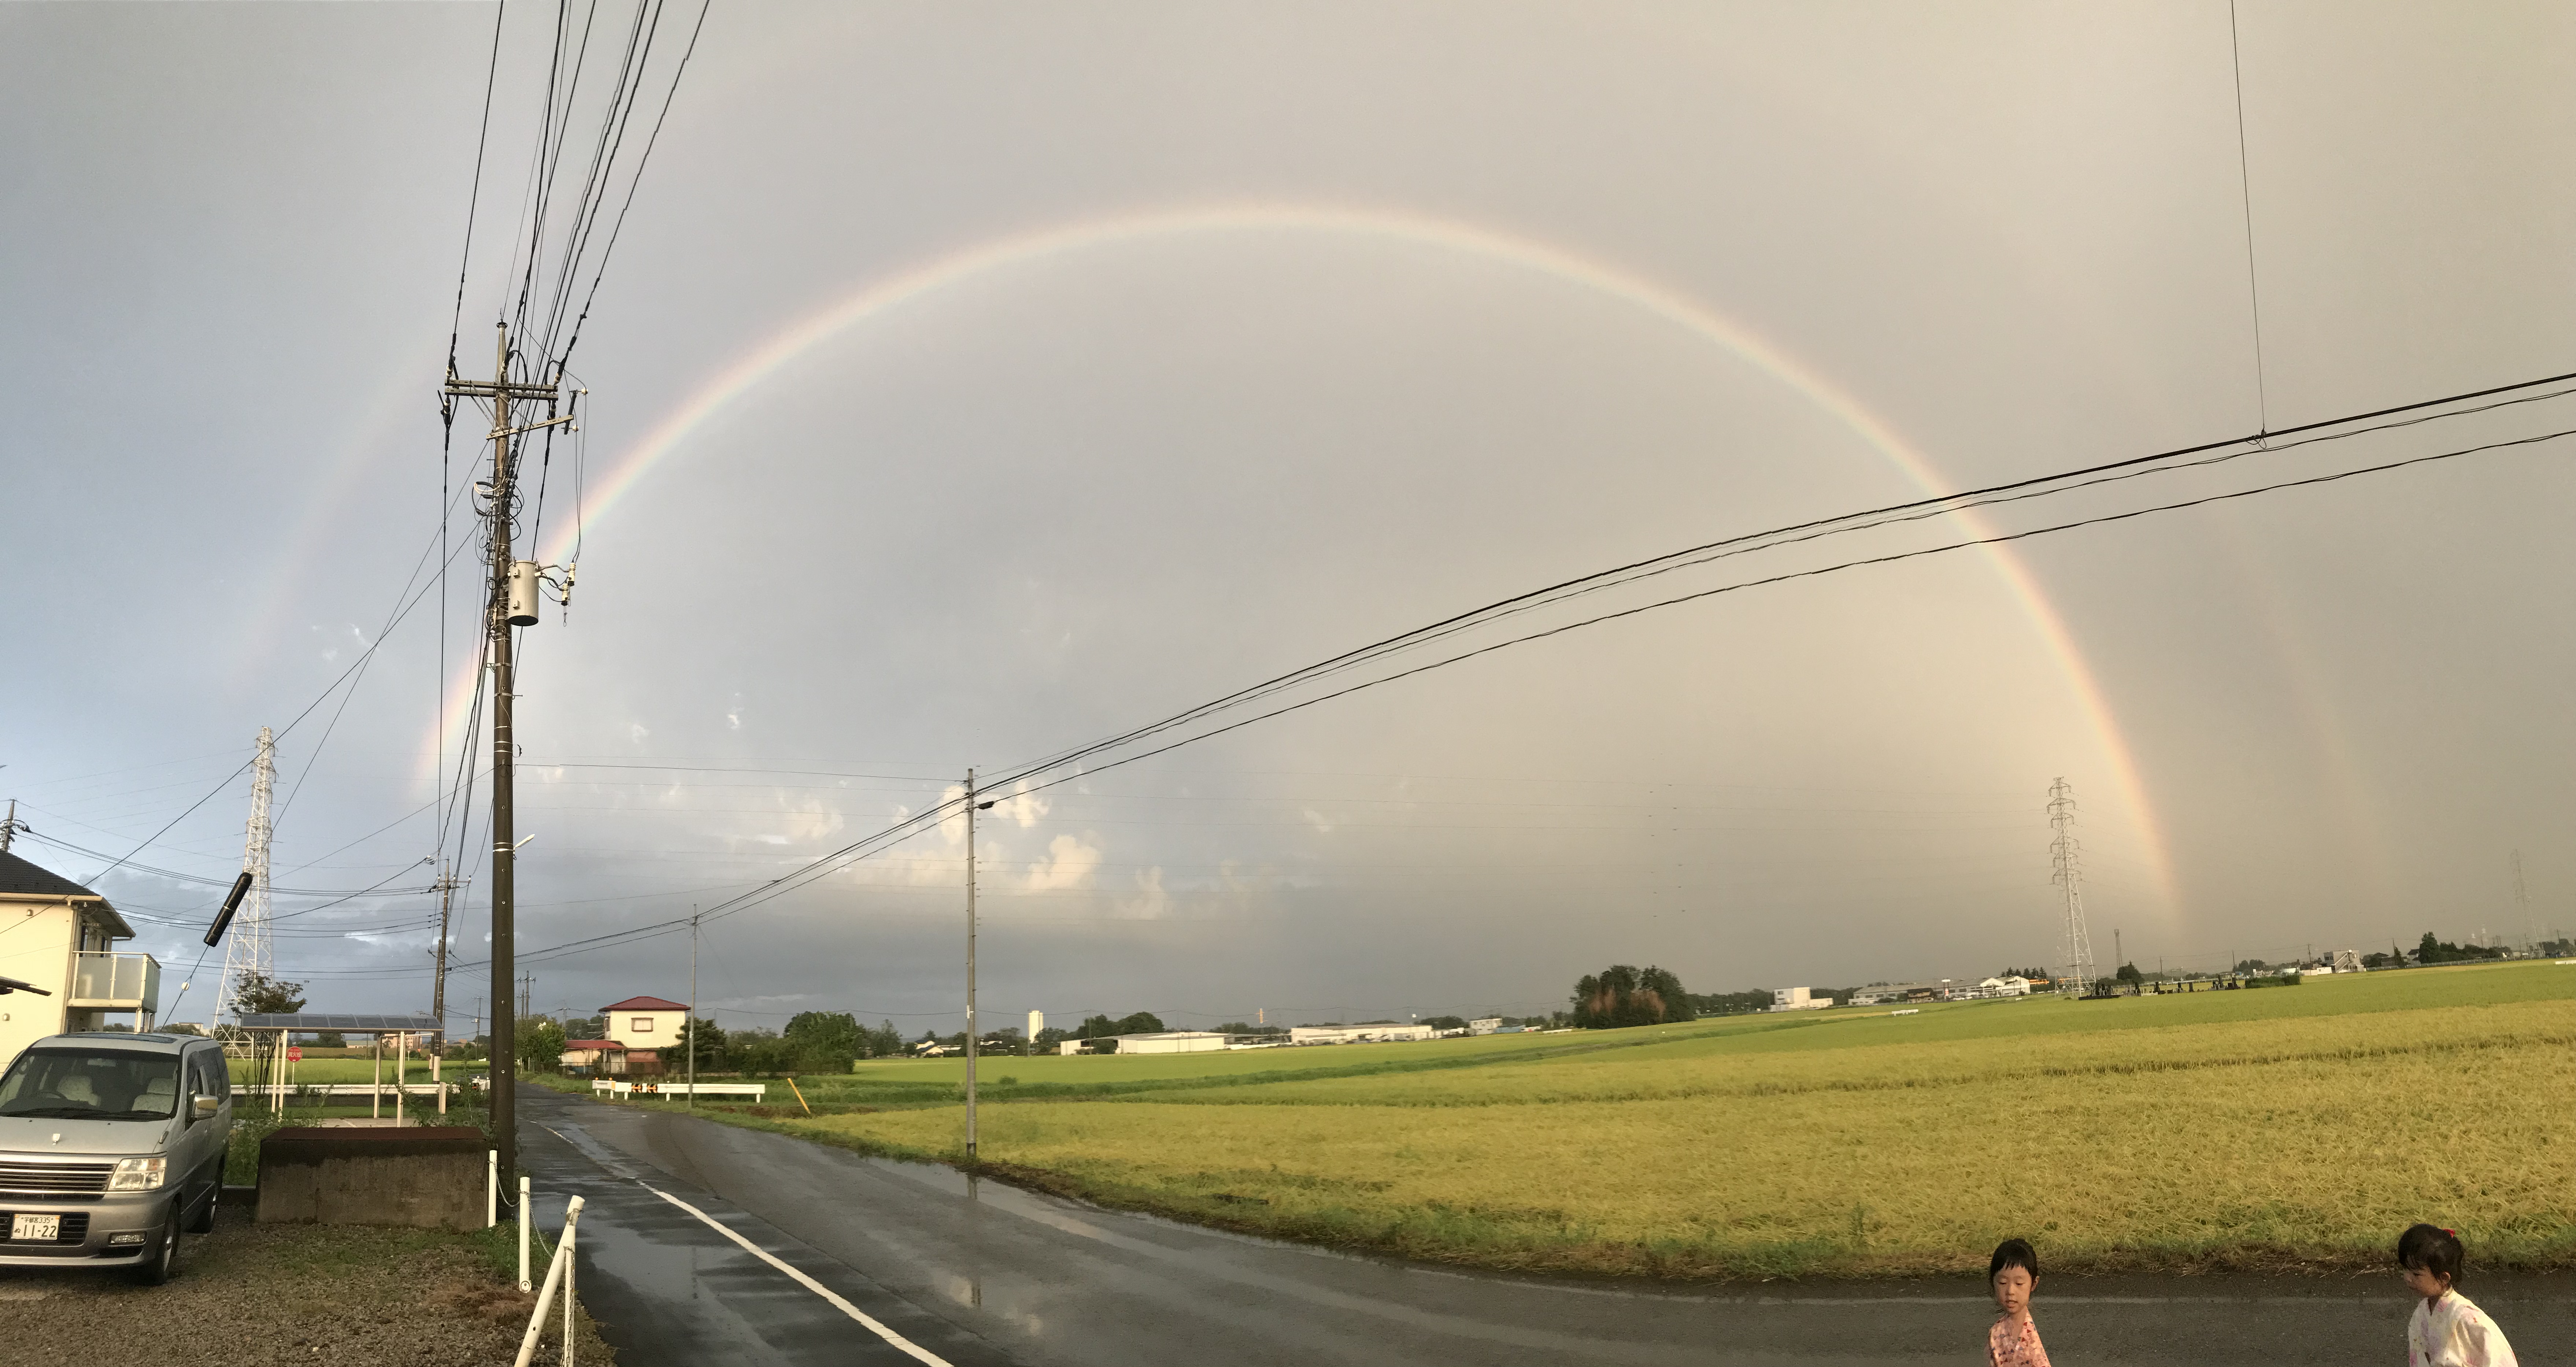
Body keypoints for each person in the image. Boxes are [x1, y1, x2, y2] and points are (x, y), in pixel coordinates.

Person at [2400, 1224, 2517, 1367]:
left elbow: (2499, 1360)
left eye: (2416, 1274)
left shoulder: (2468, 1319)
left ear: (2444, 1278)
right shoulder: (2422, 1312)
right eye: (2406, 1269)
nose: (2408, 1278)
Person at [1987, 1237, 2048, 1367]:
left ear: (2034, 1284)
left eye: (2019, 1283)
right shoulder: (1996, 1333)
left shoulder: (2036, 1336)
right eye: (2003, 1283)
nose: (2010, 1291)